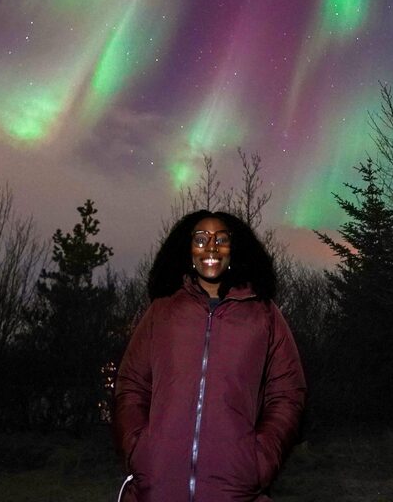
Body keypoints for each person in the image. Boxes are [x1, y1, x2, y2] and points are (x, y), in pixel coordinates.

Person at [114, 210, 306, 502]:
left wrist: (260, 460)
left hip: (234, 488)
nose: (211, 247)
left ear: (234, 249)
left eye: (221, 240)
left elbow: (288, 392)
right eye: (201, 239)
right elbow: (131, 385)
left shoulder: (263, 314)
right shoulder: (162, 311)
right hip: (160, 487)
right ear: (188, 249)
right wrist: (140, 450)